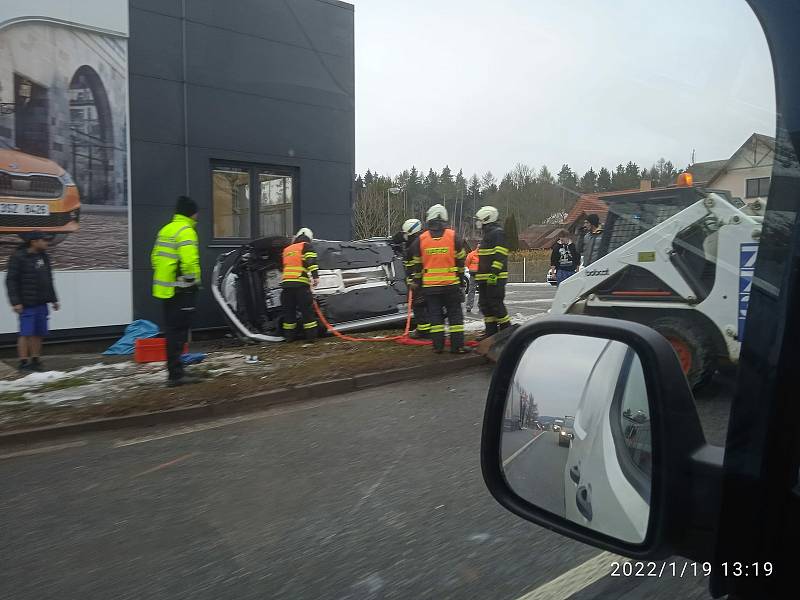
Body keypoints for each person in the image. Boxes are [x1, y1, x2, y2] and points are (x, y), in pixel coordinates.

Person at [151, 196, 202, 387]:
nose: (198, 216)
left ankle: (175, 371)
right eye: (196, 212)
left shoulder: (165, 229)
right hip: (182, 291)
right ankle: (177, 375)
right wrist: (190, 281)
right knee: (179, 333)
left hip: (166, 290)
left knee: (171, 331)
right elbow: (189, 261)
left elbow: (155, 258)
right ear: (191, 212)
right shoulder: (186, 231)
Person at [409, 204, 470, 354]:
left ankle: (438, 347)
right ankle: (458, 347)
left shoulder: (421, 239)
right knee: (455, 317)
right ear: (444, 218)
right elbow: (461, 260)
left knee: (435, 318)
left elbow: (416, 264)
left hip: (430, 288)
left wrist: (417, 281)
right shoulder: (453, 236)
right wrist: (461, 278)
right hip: (451, 285)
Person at [6, 231, 59, 371]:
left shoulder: (44, 257)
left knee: (38, 332)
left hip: (42, 302)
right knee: (25, 333)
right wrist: (15, 302)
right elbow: (10, 281)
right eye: (44, 240)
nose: (46, 243)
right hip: (26, 303)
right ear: (34, 241)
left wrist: (54, 299)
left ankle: (35, 360)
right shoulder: (18, 257)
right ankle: (23, 362)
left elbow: (48, 279)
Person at [474, 205, 510, 339]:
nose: (477, 222)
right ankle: (491, 333)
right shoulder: (488, 234)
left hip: (495, 277)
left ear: (486, 218)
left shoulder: (497, 233)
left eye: (479, 219)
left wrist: (494, 274)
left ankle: (506, 332)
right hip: (485, 278)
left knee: (496, 304)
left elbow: (500, 255)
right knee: (485, 305)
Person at [281, 227, 320, 342]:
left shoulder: (287, 249)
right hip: (300, 285)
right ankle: (311, 337)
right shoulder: (306, 246)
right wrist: (315, 277)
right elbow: (311, 262)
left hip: (286, 286)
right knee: (307, 312)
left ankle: (289, 337)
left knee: (289, 313)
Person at [400, 218, 430, 339]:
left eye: (406, 233)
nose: (405, 236)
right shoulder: (422, 241)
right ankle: (427, 330)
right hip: (423, 281)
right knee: (425, 306)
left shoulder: (414, 245)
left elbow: (415, 266)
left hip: (418, 283)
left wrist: (414, 281)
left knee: (419, 306)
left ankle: (423, 331)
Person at [465, 246, 480, 313]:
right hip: (474, 275)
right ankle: (469, 306)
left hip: (480, 275)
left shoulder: (483, 255)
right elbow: (467, 263)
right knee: (471, 290)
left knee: (481, 291)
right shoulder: (471, 254)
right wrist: (472, 269)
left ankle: (480, 305)